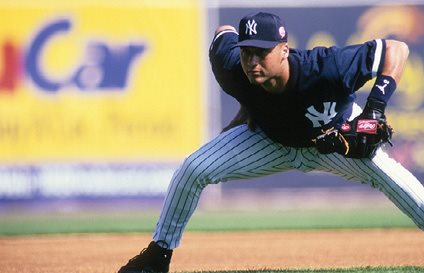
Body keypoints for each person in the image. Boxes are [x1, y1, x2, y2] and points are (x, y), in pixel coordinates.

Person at [118, 11, 424, 273]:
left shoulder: (325, 67)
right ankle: (159, 254)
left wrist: (374, 110)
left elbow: (396, 50)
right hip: (271, 142)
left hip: (332, 139)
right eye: (246, 51)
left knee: (394, 179)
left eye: (261, 52)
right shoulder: (230, 67)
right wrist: (250, 106)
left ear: (284, 50)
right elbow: (221, 32)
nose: (252, 61)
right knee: (193, 168)